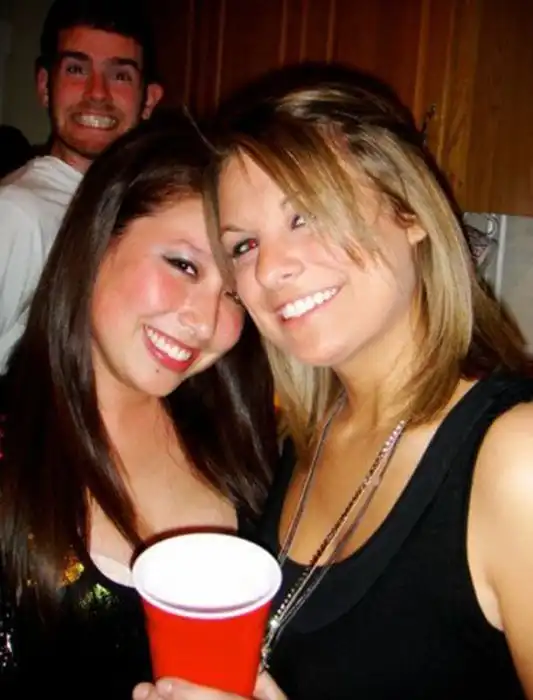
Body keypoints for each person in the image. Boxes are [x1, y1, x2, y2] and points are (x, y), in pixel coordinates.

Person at [134, 66, 533, 699]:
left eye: (306, 215)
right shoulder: (309, 437)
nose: (271, 268)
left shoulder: (516, 460)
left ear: (408, 210)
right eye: (244, 246)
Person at [0, 114, 278, 698]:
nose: (205, 321)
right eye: (183, 265)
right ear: (100, 238)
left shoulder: (241, 433)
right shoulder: (11, 446)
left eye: (233, 292)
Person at [0, 0, 164, 373]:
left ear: (149, 100)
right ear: (45, 86)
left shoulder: (136, 213)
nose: (97, 93)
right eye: (76, 69)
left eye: (120, 75)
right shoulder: (16, 213)